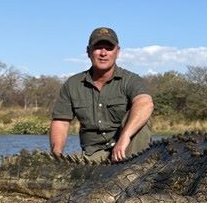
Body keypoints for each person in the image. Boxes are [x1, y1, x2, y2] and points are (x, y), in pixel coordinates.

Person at [50, 27, 154, 163]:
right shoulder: (72, 84)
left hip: (126, 150)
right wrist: (56, 158)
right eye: (98, 47)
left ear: (117, 52)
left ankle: (132, 173)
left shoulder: (131, 80)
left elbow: (145, 103)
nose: (103, 53)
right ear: (88, 52)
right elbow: (61, 122)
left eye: (109, 48)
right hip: (93, 154)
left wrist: (124, 138)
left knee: (141, 117)